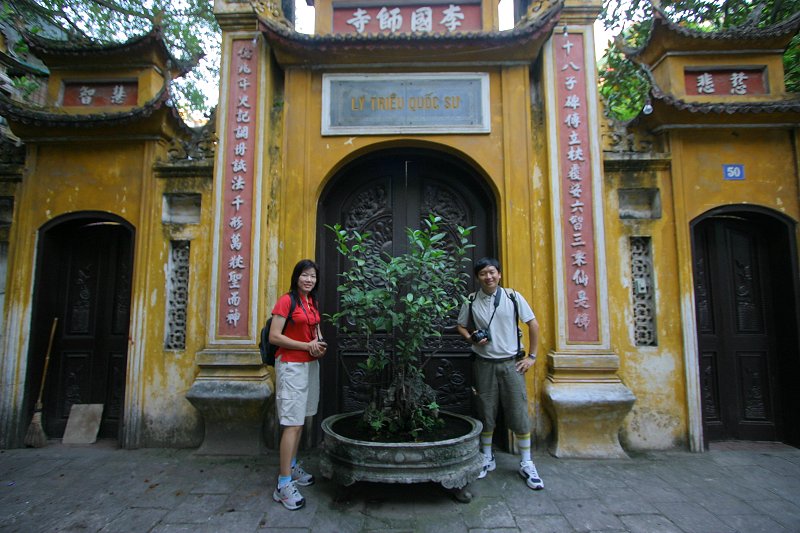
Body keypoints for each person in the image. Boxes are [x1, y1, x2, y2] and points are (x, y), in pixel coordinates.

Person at [456, 257, 544, 490]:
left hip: (511, 364)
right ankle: (487, 456)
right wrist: (471, 337)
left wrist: (532, 357)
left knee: (517, 409)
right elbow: (461, 325)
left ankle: (526, 461)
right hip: (484, 363)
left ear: (499, 274)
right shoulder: (472, 300)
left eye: (492, 272)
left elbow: (533, 324)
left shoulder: (513, 297)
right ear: (478, 277)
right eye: (483, 273)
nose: (489, 277)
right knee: (486, 410)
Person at [269, 259, 327, 510]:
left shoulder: (312, 302)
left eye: (313, 276)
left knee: (301, 419)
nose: (309, 280)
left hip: (309, 365)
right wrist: (306, 347)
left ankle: (292, 468)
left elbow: (316, 332)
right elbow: (274, 336)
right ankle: (282, 485)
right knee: (291, 424)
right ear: (296, 277)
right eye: (305, 275)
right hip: (291, 366)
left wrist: (319, 346)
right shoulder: (286, 300)